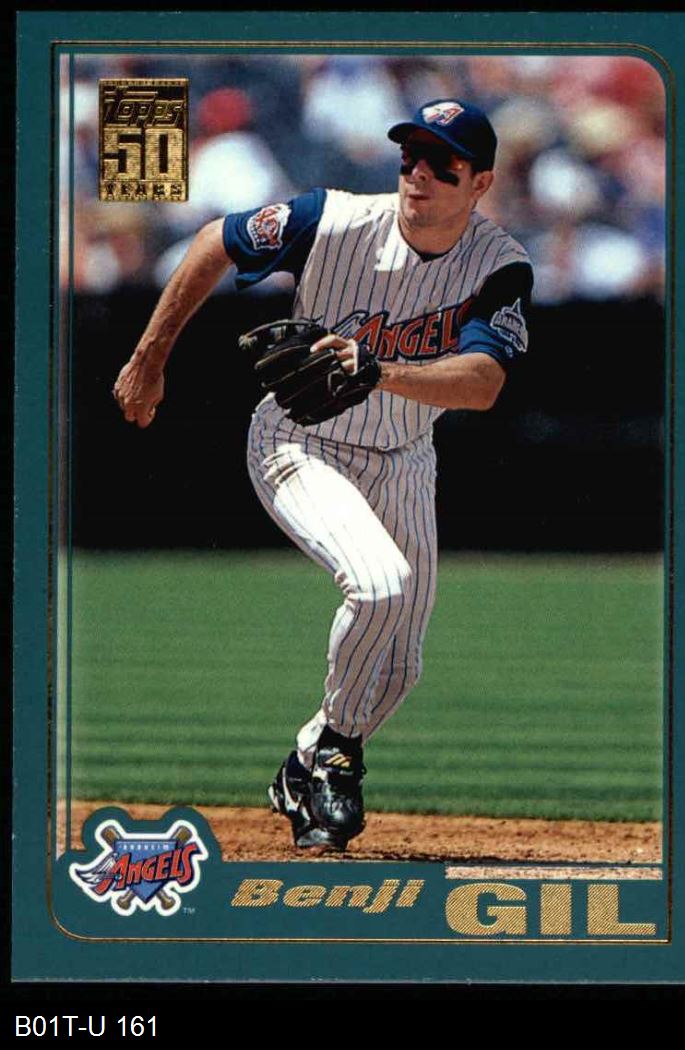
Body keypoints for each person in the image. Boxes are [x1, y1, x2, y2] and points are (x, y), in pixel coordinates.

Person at [113, 98, 534, 852]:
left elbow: (484, 383)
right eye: (410, 157)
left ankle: (303, 762)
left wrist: (381, 371)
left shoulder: (500, 264)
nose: (419, 174)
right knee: (379, 585)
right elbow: (215, 240)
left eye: (443, 163)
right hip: (301, 442)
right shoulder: (331, 218)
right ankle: (336, 757)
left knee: (398, 668)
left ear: (481, 183)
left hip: (405, 456)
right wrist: (150, 358)